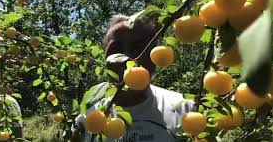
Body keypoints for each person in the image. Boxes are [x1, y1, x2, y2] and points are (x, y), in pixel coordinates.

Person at [72, 12, 194, 142]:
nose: (126, 56)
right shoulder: (85, 123)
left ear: (155, 59)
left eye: (138, 48)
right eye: (116, 49)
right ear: (104, 59)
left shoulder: (187, 111)